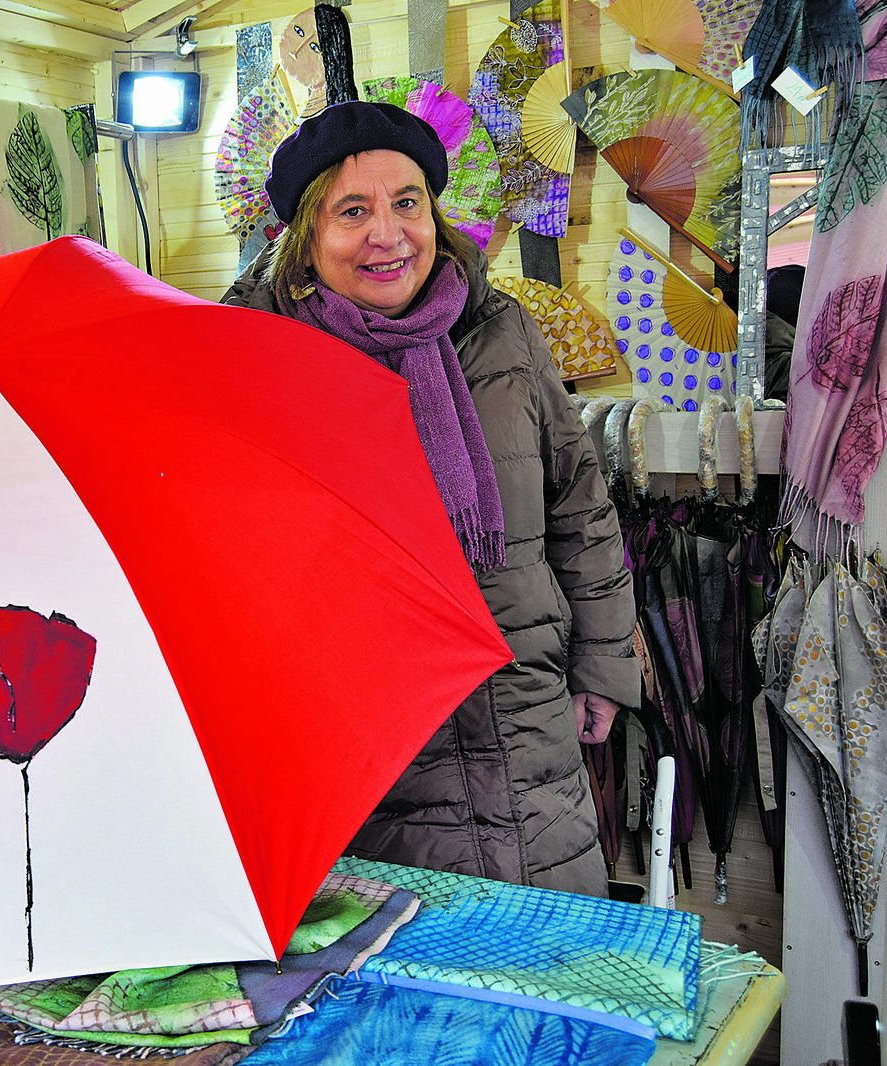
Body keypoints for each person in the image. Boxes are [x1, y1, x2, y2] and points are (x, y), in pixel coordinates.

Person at [222, 100, 639, 897]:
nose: (388, 233)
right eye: (352, 211)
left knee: (550, 975)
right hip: (366, 751)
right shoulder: (254, 363)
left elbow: (579, 508)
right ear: (304, 243)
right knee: (403, 983)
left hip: (525, 727)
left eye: (406, 202)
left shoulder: (500, 332)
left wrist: (603, 665)